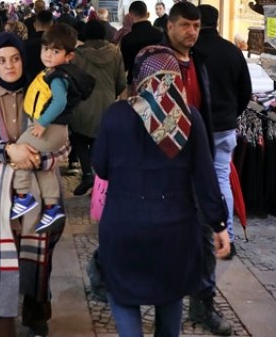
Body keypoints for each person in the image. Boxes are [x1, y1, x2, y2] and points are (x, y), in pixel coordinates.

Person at [95, 46, 231, 337]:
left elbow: (101, 168)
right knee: (170, 296)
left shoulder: (116, 115)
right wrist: (219, 225)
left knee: (122, 294)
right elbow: (207, 180)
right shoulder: (189, 119)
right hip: (176, 229)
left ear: (139, 77)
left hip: (123, 225)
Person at [0, 32, 69, 337]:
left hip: (40, 189)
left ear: (24, 60)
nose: (8, 66)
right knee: (2, 259)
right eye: (1, 60)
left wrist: (37, 159)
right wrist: (8, 151)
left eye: (15, 59)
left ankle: (36, 315)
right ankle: (2, 326)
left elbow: (64, 145)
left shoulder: (44, 91)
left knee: (38, 253)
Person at [160, 1, 231, 333]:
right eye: (185, 25)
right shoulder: (156, 61)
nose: (191, 32)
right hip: (162, 163)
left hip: (197, 157)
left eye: (196, 26)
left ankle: (202, 305)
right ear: (171, 26)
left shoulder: (201, 61)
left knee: (203, 233)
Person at [12, 23, 92, 234]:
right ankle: (51, 207)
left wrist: (42, 122)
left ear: (69, 56)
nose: (48, 54)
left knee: (20, 150)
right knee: (44, 169)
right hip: (58, 130)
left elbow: (59, 102)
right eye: (45, 49)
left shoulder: (58, 76)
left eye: (55, 51)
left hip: (51, 129)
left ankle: (22, 196)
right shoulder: (55, 72)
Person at [195, 4, 253, 252]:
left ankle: (198, 237)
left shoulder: (191, 51)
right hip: (224, 126)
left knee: (192, 180)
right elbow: (245, 92)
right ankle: (226, 235)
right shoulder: (232, 51)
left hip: (195, 127)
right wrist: (232, 115)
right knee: (221, 179)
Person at [71, 16, 127, 196]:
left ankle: (88, 173)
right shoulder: (116, 53)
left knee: (78, 137)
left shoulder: (77, 54)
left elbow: (71, 80)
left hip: (82, 103)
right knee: (99, 141)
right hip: (107, 103)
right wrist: (113, 94)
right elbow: (121, 82)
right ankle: (100, 181)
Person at [120, 1, 162, 79]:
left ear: (130, 16)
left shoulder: (128, 39)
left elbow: (124, 66)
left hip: (136, 82)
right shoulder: (160, 34)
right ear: (147, 14)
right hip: (158, 81)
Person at [23, 8, 52, 82]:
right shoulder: (55, 46)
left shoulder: (24, 44)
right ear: (51, 25)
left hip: (29, 85)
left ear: (34, 25)